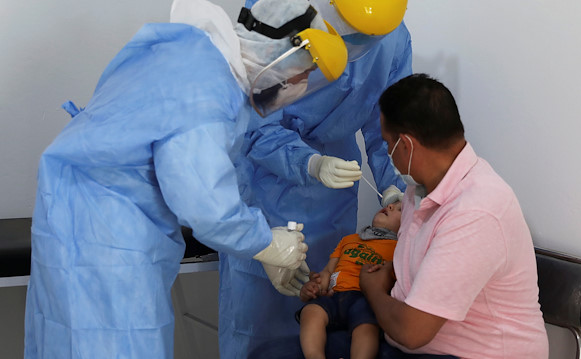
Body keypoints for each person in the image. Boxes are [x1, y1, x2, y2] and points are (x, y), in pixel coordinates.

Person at [23, 0, 350, 357]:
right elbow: (205, 203)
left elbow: (220, 168)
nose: (301, 86)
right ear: (278, 56)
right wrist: (263, 242)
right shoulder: (205, 95)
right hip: (107, 238)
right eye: (302, 74)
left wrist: (262, 248)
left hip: (78, 216)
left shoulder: (190, 53)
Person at [220, 0, 412, 357]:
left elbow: (389, 121)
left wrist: (394, 185)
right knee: (258, 326)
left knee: (324, 309)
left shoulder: (392, 38)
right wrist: (309, 163)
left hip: (334, 197)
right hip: (266, 187)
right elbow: (255, 122)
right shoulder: (285, 20)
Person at [359, 73, 549, 359]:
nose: (387, 153)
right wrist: (392, 271)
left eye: (388, 144)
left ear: (407, 146)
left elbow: (412, 332)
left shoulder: (476, 211)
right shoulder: (419, 189)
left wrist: (373, 289)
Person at [298, 200, 402, 359]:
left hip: (365, 300)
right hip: (333, 295)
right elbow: (327, 271)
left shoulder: (400, 248)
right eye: (391, 204)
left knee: (368, 324)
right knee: (310, 312)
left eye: (399, 209)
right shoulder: (349, 239)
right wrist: (315, 287)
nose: (389, 206)